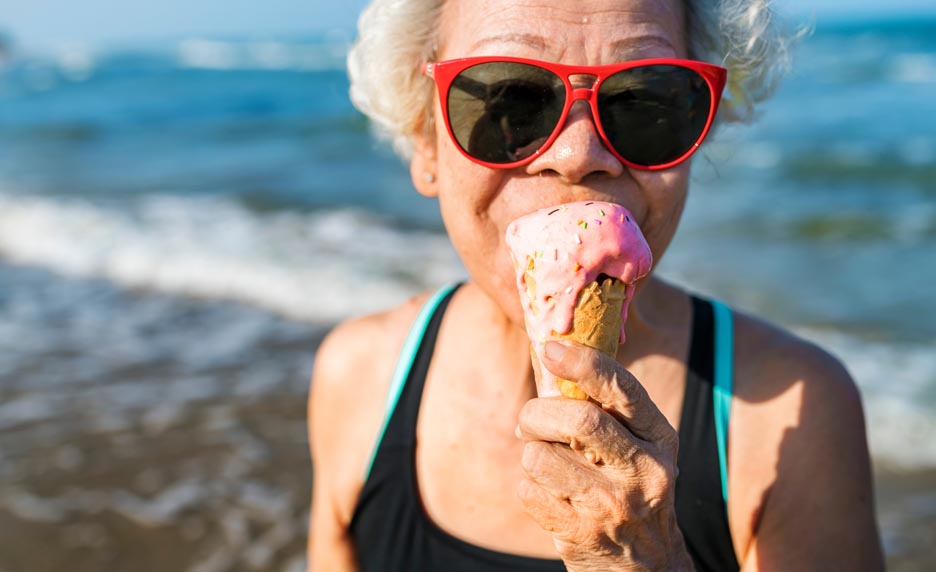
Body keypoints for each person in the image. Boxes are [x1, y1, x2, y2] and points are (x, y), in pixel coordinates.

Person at [308, 0, 885, 570]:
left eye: (643, 101)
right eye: (512, 100)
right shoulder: (360, 376)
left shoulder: (795, 411)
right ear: (424, 137)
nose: (578, 155)